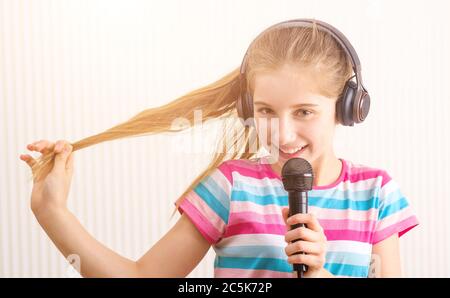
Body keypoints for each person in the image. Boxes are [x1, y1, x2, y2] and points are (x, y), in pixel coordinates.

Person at [20, 19, 418, 278]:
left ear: (347, 108)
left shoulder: (376, 194)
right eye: (265, 111)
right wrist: (52, 212)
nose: (283, 134)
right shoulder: (231, 187)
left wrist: (320, 274)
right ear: (248, 107)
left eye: (304, 111)